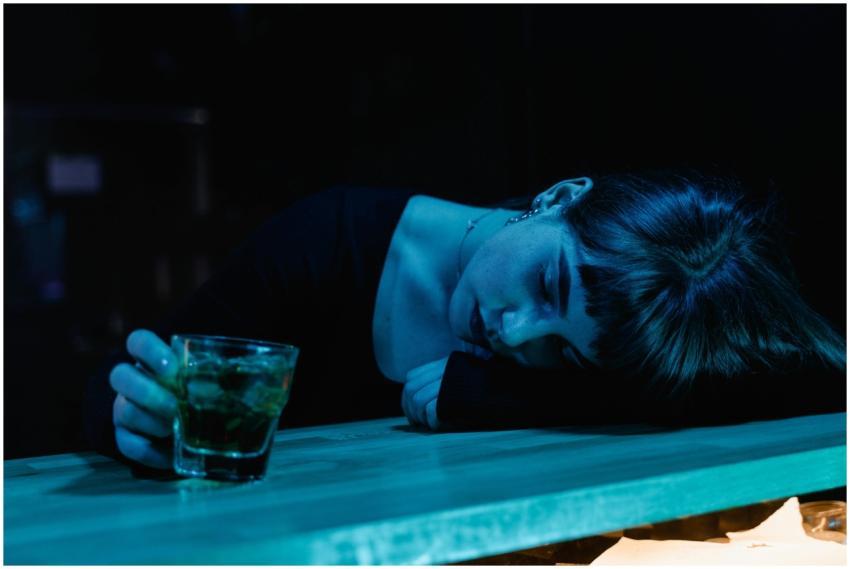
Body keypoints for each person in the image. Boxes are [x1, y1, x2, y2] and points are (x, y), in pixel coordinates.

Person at [83, 171, 846, 470]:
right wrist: (137, 413)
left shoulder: (593, 339)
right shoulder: (326, 245)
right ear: (557, 198)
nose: (517, 334)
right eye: (548, 283)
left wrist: (492, 395)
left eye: (563, 355)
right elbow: (99, 396)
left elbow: (817, 377)